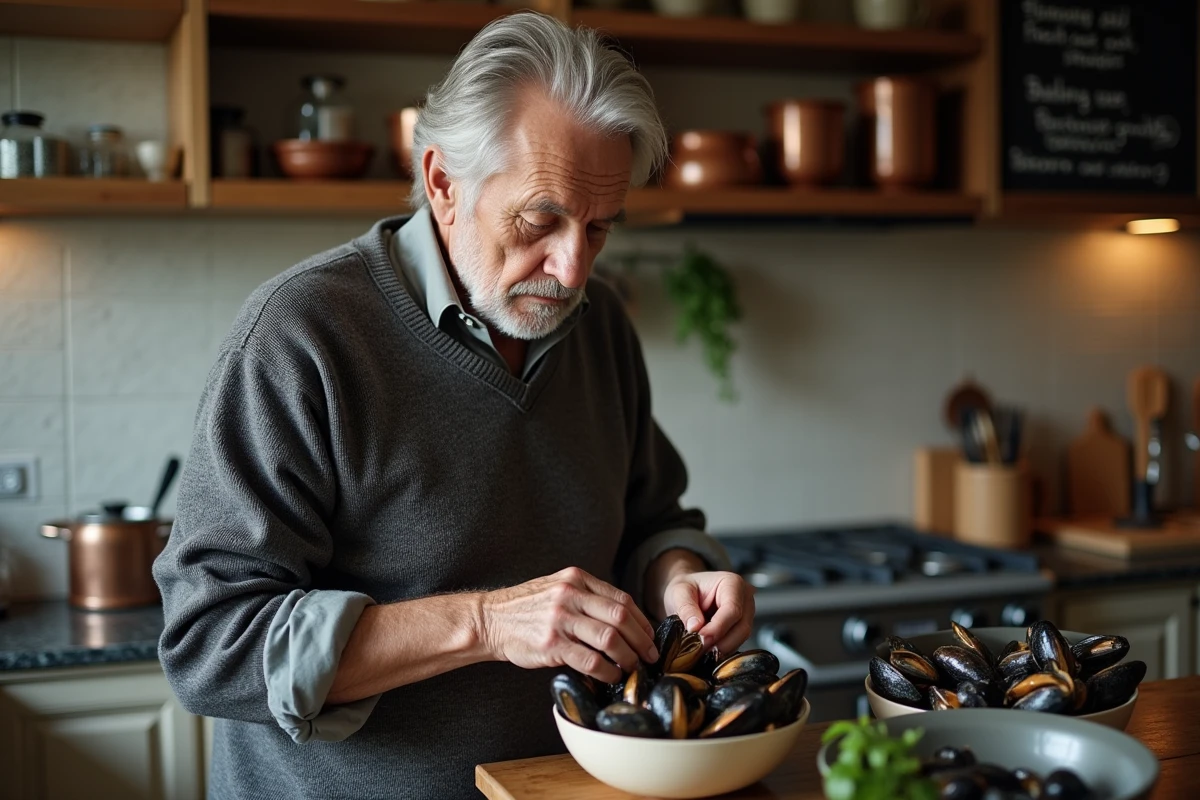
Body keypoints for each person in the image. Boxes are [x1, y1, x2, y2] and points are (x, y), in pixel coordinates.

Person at [154, 11, 754, 800]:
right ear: (443, 182)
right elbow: (211, 645)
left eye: (600, 228)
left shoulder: (599, 326)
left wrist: (680, 577)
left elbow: (652, 520)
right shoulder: (302, 336)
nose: (573, 269)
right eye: (541, 221)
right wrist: (488, 624)